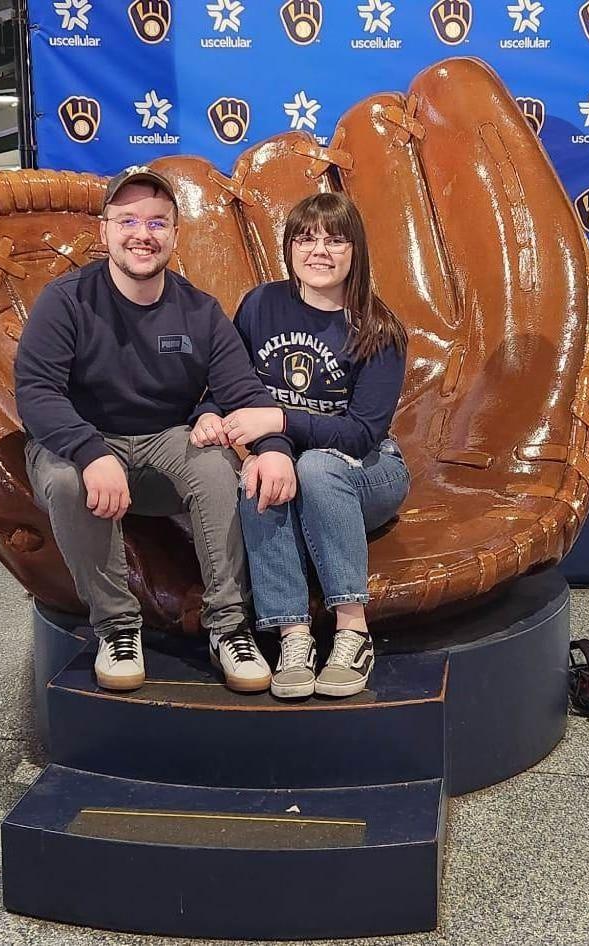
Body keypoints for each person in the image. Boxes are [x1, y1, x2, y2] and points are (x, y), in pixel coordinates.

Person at [14, 165, 296, 694]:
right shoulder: (66, 299)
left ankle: (228, 625)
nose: (142, 234)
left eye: (157, 222)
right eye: (127, 221)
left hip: (163, 440)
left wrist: (275, 447)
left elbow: (242, 390)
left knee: (218, 465)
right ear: (104, 231)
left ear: (174, 234)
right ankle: (117, 627)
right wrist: (89, 451)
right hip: (81, 439)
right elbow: (36, 392)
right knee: (69, 481)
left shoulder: (200, 311)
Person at [191, 192, 409, 699]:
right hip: (291, 463)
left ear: (356, 251)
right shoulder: (261, 305)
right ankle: (293, 636)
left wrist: (279, 420)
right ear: (288, 247)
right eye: (306, 239)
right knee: (258, 475)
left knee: (314, 468)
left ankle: (353, 631)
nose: (319, 251)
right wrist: (207, 414)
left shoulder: (379, 329)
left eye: (335, 240)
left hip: (367, 472)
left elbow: (361, 433)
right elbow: (228, 384)